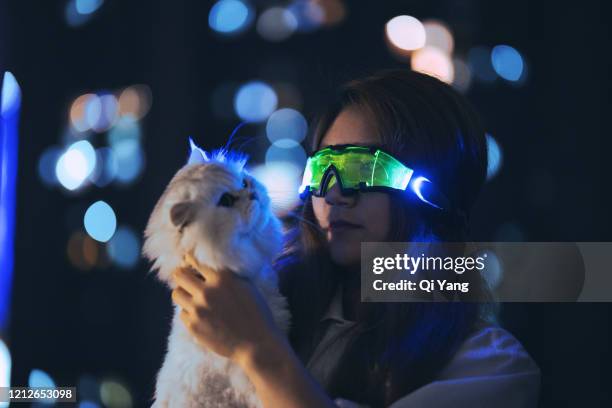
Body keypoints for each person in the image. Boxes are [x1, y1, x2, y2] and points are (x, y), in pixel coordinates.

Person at [171, 69, 541, 407]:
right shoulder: (265, 301)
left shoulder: (489, 366)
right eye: (322, 169)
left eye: (362, 168)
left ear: (437, 189)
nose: (334, 194)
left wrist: (258, 350)